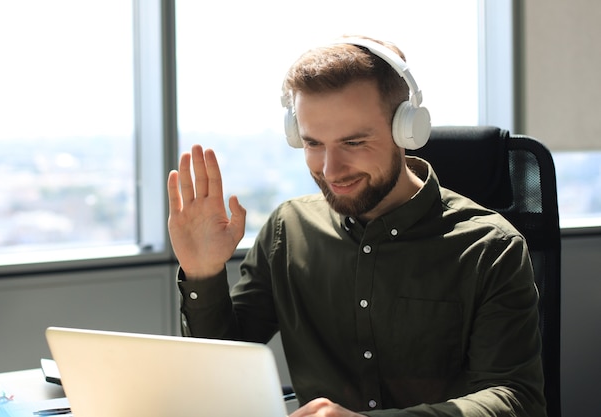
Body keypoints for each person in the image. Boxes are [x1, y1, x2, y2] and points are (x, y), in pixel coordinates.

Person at [167, 35, 547, 417]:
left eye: (353, 142)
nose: (330, 171)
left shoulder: (490, 246)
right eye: (313, 143)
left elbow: (515, 399)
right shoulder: (288, 231)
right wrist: (204, 274)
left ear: (407, 130)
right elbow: (220, 371)